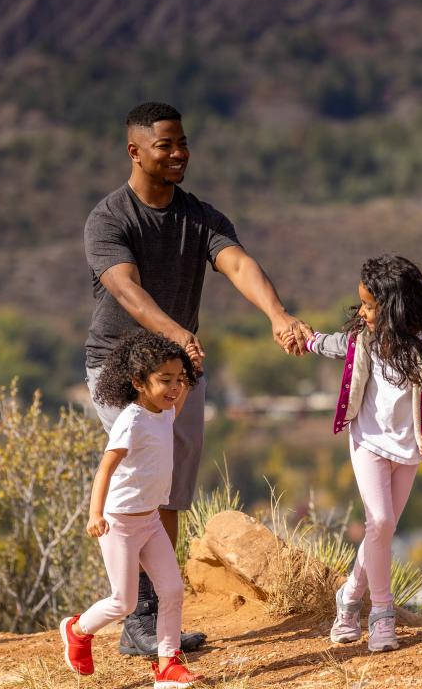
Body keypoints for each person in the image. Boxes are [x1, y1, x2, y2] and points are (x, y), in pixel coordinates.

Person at [84, 101, 313, 656]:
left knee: (169, 490)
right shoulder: (110, 219)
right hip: (120, 370)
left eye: (183, 142)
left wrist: (277, 315)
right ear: (135, 151)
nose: (179, 153)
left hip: (177, 375)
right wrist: (177, 336)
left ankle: (154, 619)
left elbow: (236, 263)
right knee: (139, 480)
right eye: (165, 144)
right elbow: (128, 292)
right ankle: (136, 618)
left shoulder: (200, 216)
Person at [292, 254, 422, 652]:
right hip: (367, 441)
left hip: (408, 450)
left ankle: (346, 598)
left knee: (381, 529)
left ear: (394, 308)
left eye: (370, 306)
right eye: (362, 303)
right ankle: (381, 614)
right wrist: (305, 339)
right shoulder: (364, 337)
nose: (362, 312)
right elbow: (333, 343)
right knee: (380, 519)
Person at [60, 330, 207, 687]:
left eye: (178, 379)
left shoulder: (163, 412)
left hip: (151, 521)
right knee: (123, 602)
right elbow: (105, 468)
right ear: (139, 382)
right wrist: (95, 514)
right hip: (119, 525)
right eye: (164, 380)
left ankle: (168, 665)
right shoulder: (132, 420)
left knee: (171, 591)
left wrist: (193, 371)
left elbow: (178, 401)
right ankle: (78, 630)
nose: (174, 387)